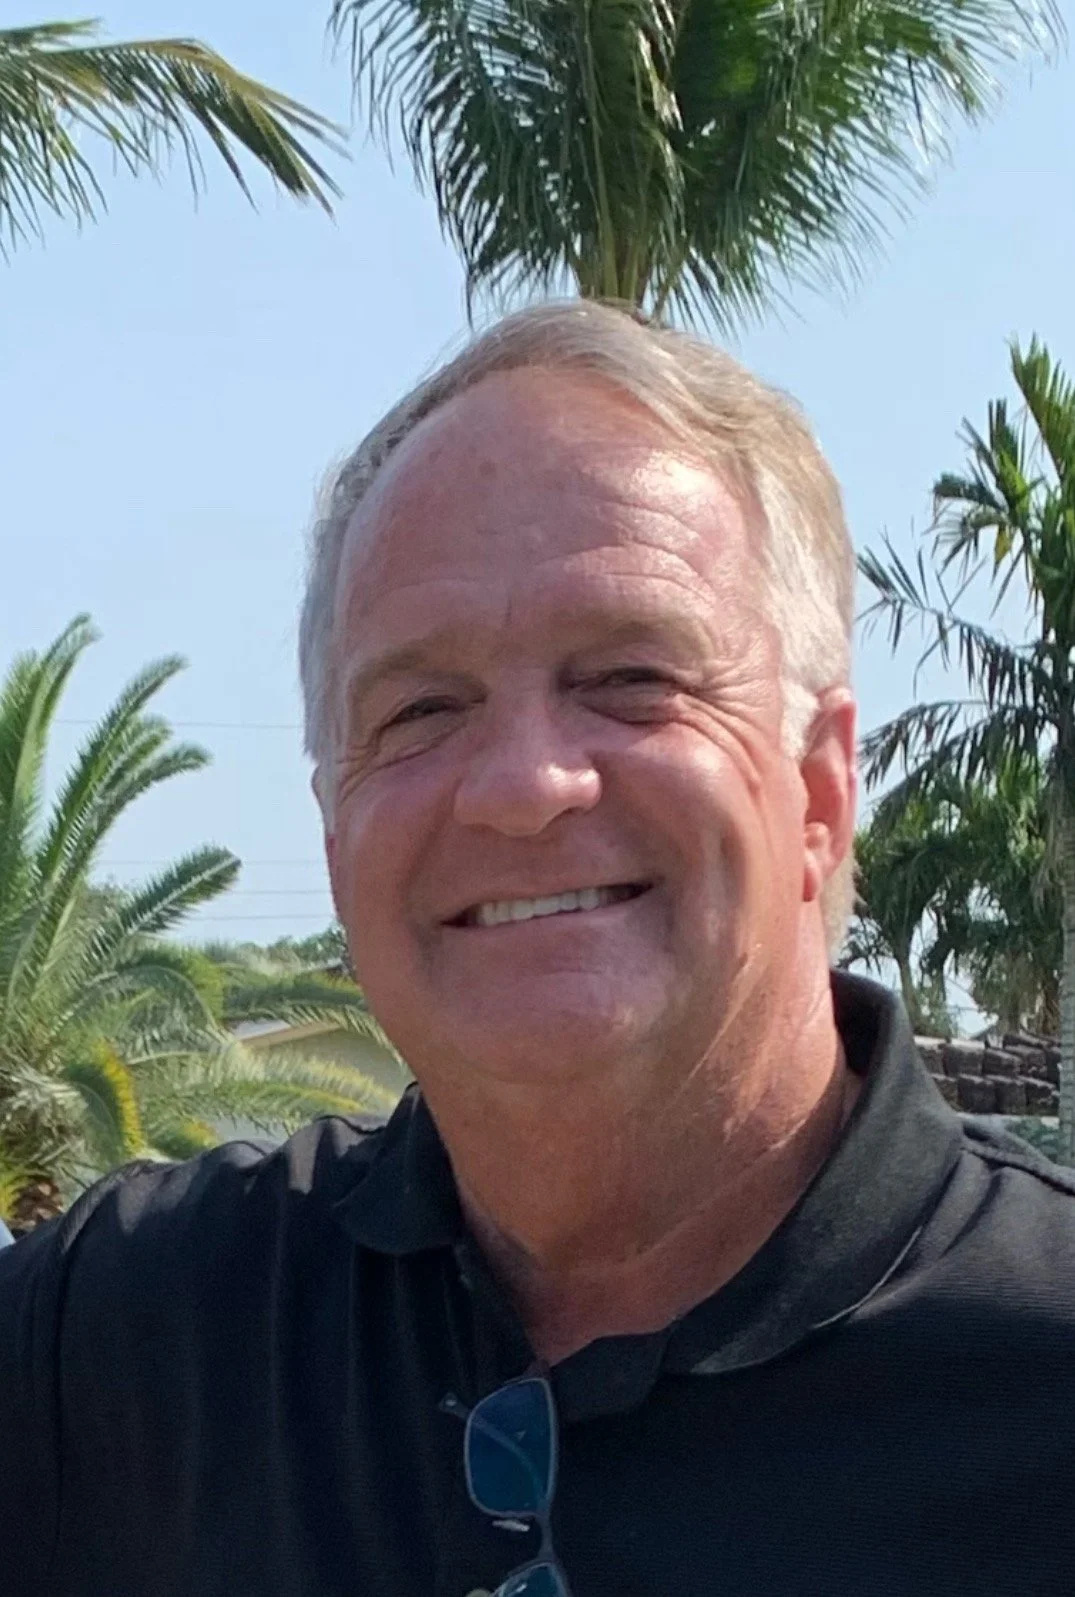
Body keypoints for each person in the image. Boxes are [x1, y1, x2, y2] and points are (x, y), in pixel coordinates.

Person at [2, 302, 1073, 1597]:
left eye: (629, 676)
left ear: (820, 787)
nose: (522, 783)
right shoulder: (125, 1339)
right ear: (336, 839)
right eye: (423, 707)